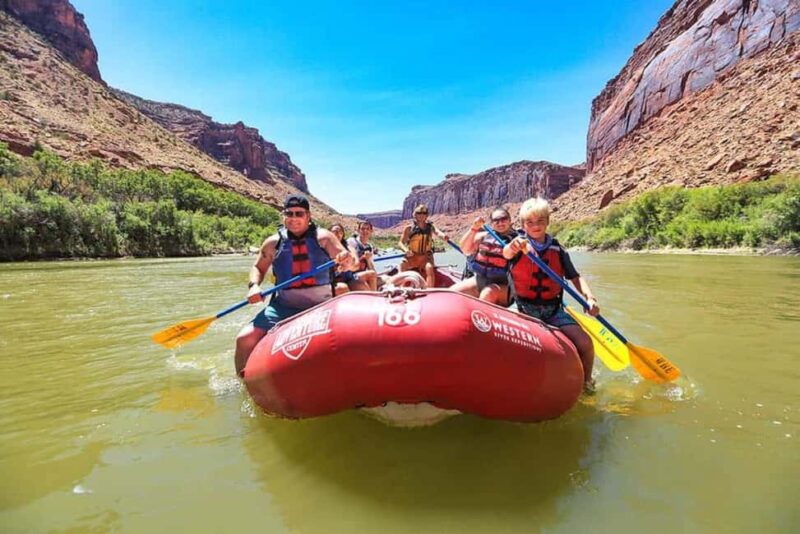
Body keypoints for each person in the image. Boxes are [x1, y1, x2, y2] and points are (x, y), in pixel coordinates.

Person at [234, 195, 354, 376]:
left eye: (299, 213)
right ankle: (244, 383)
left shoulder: (324, 238)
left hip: (321, 305)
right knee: (244, 338)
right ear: (283, 216)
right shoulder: (273, 243)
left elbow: (349, 261)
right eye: (289, 213)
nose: (293, 218)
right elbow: (258, 267)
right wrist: (253, 286)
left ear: (308, 216)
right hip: (284, 305)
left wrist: (346, 260)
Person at [502, 197, 599, 391]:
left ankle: (587, 383)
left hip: (553, 310)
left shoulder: (558, 249)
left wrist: (589, 298)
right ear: (523, 225)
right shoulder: (518, 244)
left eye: (540, 221)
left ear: (547, 221)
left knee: (585, 343)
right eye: (530, 222)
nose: (535, 226)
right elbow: (506, 253)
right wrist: (513, 247)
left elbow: (575, 277)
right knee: (507, 344)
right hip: (523, 308)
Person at [449, 207, 516, 305]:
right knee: (451, 293)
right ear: (491, 223)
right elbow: (465, 250)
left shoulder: (516, 240)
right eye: (496, 220)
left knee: (487, 293)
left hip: (504, 286)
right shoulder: (483, 236)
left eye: (504, 219)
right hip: (480, 280)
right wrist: (474, 228)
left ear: (510, 221)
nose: (500, 223)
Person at [398, 204, 449, 288]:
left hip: (425, 257)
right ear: (415, 215)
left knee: (429, 268)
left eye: (424, 213)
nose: (421, 215)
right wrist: (406, 250)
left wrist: (444, 236)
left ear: (426, 215)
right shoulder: (409, 228)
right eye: (419, 213)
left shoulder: (430, 227)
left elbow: (438, 232)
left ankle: (429, 290)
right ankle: (401, 288)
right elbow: (400, 243)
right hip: (412, 257)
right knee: (402, 265)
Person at [330, 223, 371, 294]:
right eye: (335, 232)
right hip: (334, 280)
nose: (338, 234)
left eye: (340, 232)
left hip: (348, 278)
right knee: (343, 288)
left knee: (363, 287)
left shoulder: (349, 248)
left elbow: (357, 264)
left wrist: (348, 266)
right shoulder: (325, 248)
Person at [346, 221, 380, 291]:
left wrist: (368, 259)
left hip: (362, 275)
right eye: (363, 229)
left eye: (368, 229)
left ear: (371, 231)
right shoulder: (351, 242)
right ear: (358, 230)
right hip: (351, 276)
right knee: (371, 275)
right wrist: (362, 257)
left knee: (385, 279)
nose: (365, 231)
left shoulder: (369, 247)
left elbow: (372, 269)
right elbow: (349, 262)